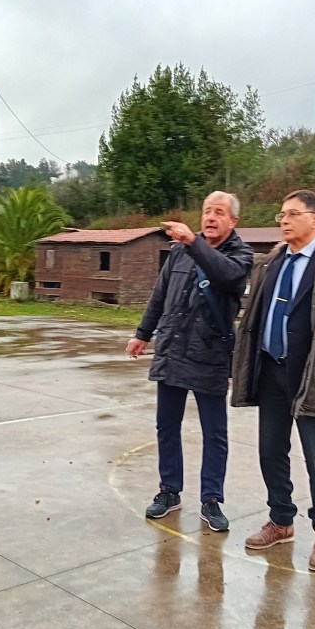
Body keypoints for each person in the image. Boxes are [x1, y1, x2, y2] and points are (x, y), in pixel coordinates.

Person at [231, 189, 315, 571]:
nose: (284, 221)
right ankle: (281, 520)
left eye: (293, 214)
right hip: (271, 370)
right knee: (270, 450)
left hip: (311, 375)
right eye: (282, 215)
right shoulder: (273, 262)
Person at [126, 191, 254, 532]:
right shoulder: (179, 251)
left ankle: (211, 499)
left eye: (219, 212)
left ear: (233, 221)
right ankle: (169, 490)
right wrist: (143, 333)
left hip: (209, 354)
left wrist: (193, 242)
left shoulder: (240, 255)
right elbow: (159, 295)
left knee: (215, 433)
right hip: (172, 348)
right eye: (207, 210)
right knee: (167, 426)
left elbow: (226, 275)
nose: (210, 217)